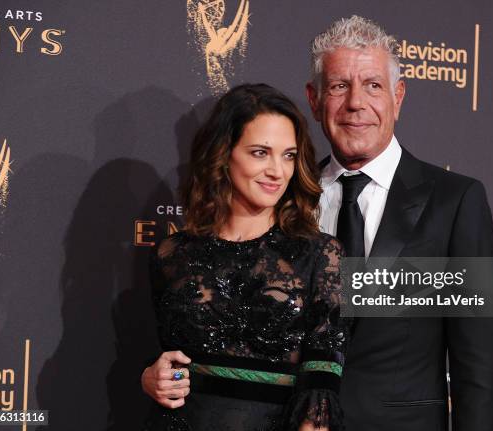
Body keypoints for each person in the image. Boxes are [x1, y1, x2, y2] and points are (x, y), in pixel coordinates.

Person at [305, 16, 493, 431]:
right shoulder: (290, 198)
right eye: (340, 86)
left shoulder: (456, 202)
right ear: (314, 99)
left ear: (398, 96)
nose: (356, 102)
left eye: (373, 85)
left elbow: (477, 367)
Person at [141, 83, 350, 431]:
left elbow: (321, 391)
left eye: (288, 155)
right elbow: (175, 362)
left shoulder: (322, 255)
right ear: (223, 154)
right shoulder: (172, 254)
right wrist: (153, 376)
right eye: (259, 152)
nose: (277, 171)